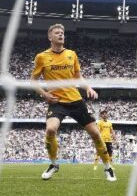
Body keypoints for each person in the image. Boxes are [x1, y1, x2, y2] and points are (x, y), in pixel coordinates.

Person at [31, 23, 116, 181]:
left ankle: (108, 167)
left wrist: (88, 88)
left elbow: (78, 76)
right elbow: (33, 81)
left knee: (96, 134)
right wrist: (45, 95)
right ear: (50, 37)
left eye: (62, 32)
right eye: (57, 32)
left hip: (76, 101)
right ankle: (54, 164)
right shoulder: (41, 57)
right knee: (50, 130)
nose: (61, 34)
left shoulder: (72, 54)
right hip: (57, 102)